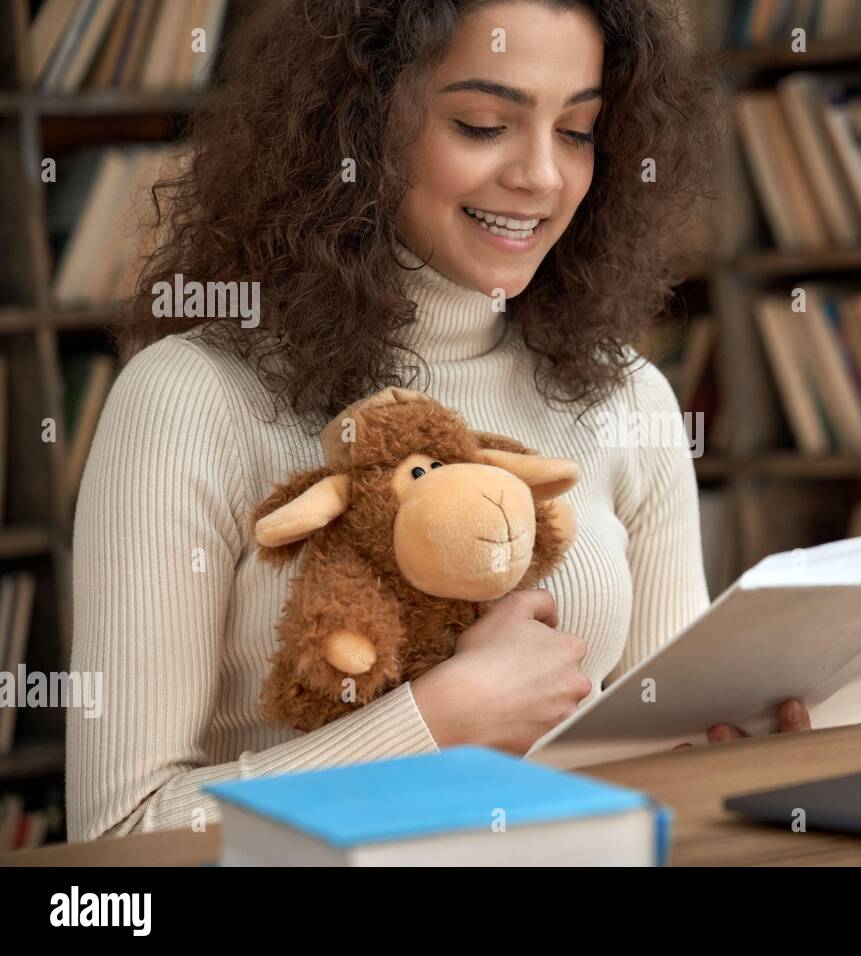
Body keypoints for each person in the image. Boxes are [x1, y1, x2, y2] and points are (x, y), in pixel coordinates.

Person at [67, 0, 810, 842]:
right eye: (484, 123)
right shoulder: (190, 398)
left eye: (578, 131)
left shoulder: (628, 398)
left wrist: (732, 754)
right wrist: (435, 723)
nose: (541, 176)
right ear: (358, 126)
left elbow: (649, 761)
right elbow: (118, 837)